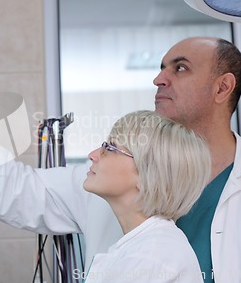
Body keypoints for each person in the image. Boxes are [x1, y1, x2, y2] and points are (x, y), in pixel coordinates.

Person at [0, 37, 241, 283]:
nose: (158, 79)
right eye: (161, 68)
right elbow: (13, 187)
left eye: (179, 68)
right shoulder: (107, 180)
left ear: (223, 87)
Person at [81, 110, 209, 283]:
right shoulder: (148, 247)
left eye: (110, 148)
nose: (93, 155)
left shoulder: (152, 256)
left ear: (147, 175)